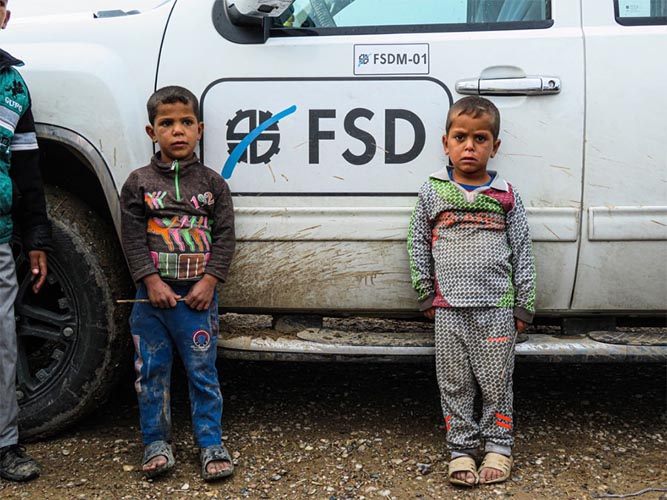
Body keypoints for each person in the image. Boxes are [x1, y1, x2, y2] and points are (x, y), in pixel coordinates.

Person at [407, 96, 535, 487]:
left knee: (497, 380)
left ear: (495, 147)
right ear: (445, 143)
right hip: (448, 310)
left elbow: (523, 249)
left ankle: (499, 445)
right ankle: (460, 448)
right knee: (454, 382)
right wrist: (425, 293)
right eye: (460, 137)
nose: (469, 146)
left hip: (496, 307)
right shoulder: (432, 191)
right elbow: (416, 243)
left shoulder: (506, 194)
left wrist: (524, 303)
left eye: (480, 139)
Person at [120, 85, 235, 481]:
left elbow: (225, 237)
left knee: (203, 372)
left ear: (200, 129)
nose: (178, 131)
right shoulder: (139, 183)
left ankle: (210, 442)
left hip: (197, 302)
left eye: (186, 122)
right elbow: (132, 238)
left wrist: (209, 282)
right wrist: (150, 282)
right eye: (166, 124)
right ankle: (155, 442)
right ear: (152, 132)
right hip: (151, 302)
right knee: (150, 371)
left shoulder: (213, 184)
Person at [0, 0, 52, 483]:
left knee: (2, 343)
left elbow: (27, 169)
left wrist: (37, 237)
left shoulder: (13, 86)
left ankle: (5, 446)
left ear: (4, 17)